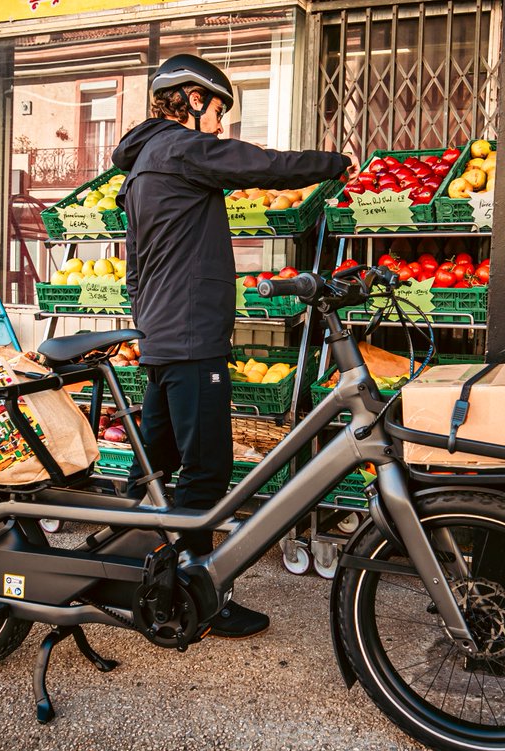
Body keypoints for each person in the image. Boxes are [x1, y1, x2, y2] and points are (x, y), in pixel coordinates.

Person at [111, 54, 353, 638]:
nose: (222, 125)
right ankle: (200, 595)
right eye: (220, 111)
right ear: (194, 100)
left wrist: (150, 327)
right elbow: (264, 166)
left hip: (165, 337)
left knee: (161, 462)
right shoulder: (181, 148)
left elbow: (135, 268)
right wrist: (337, 162)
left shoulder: (144, 163)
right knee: (207, 469)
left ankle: (146, 573)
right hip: (191, 339)